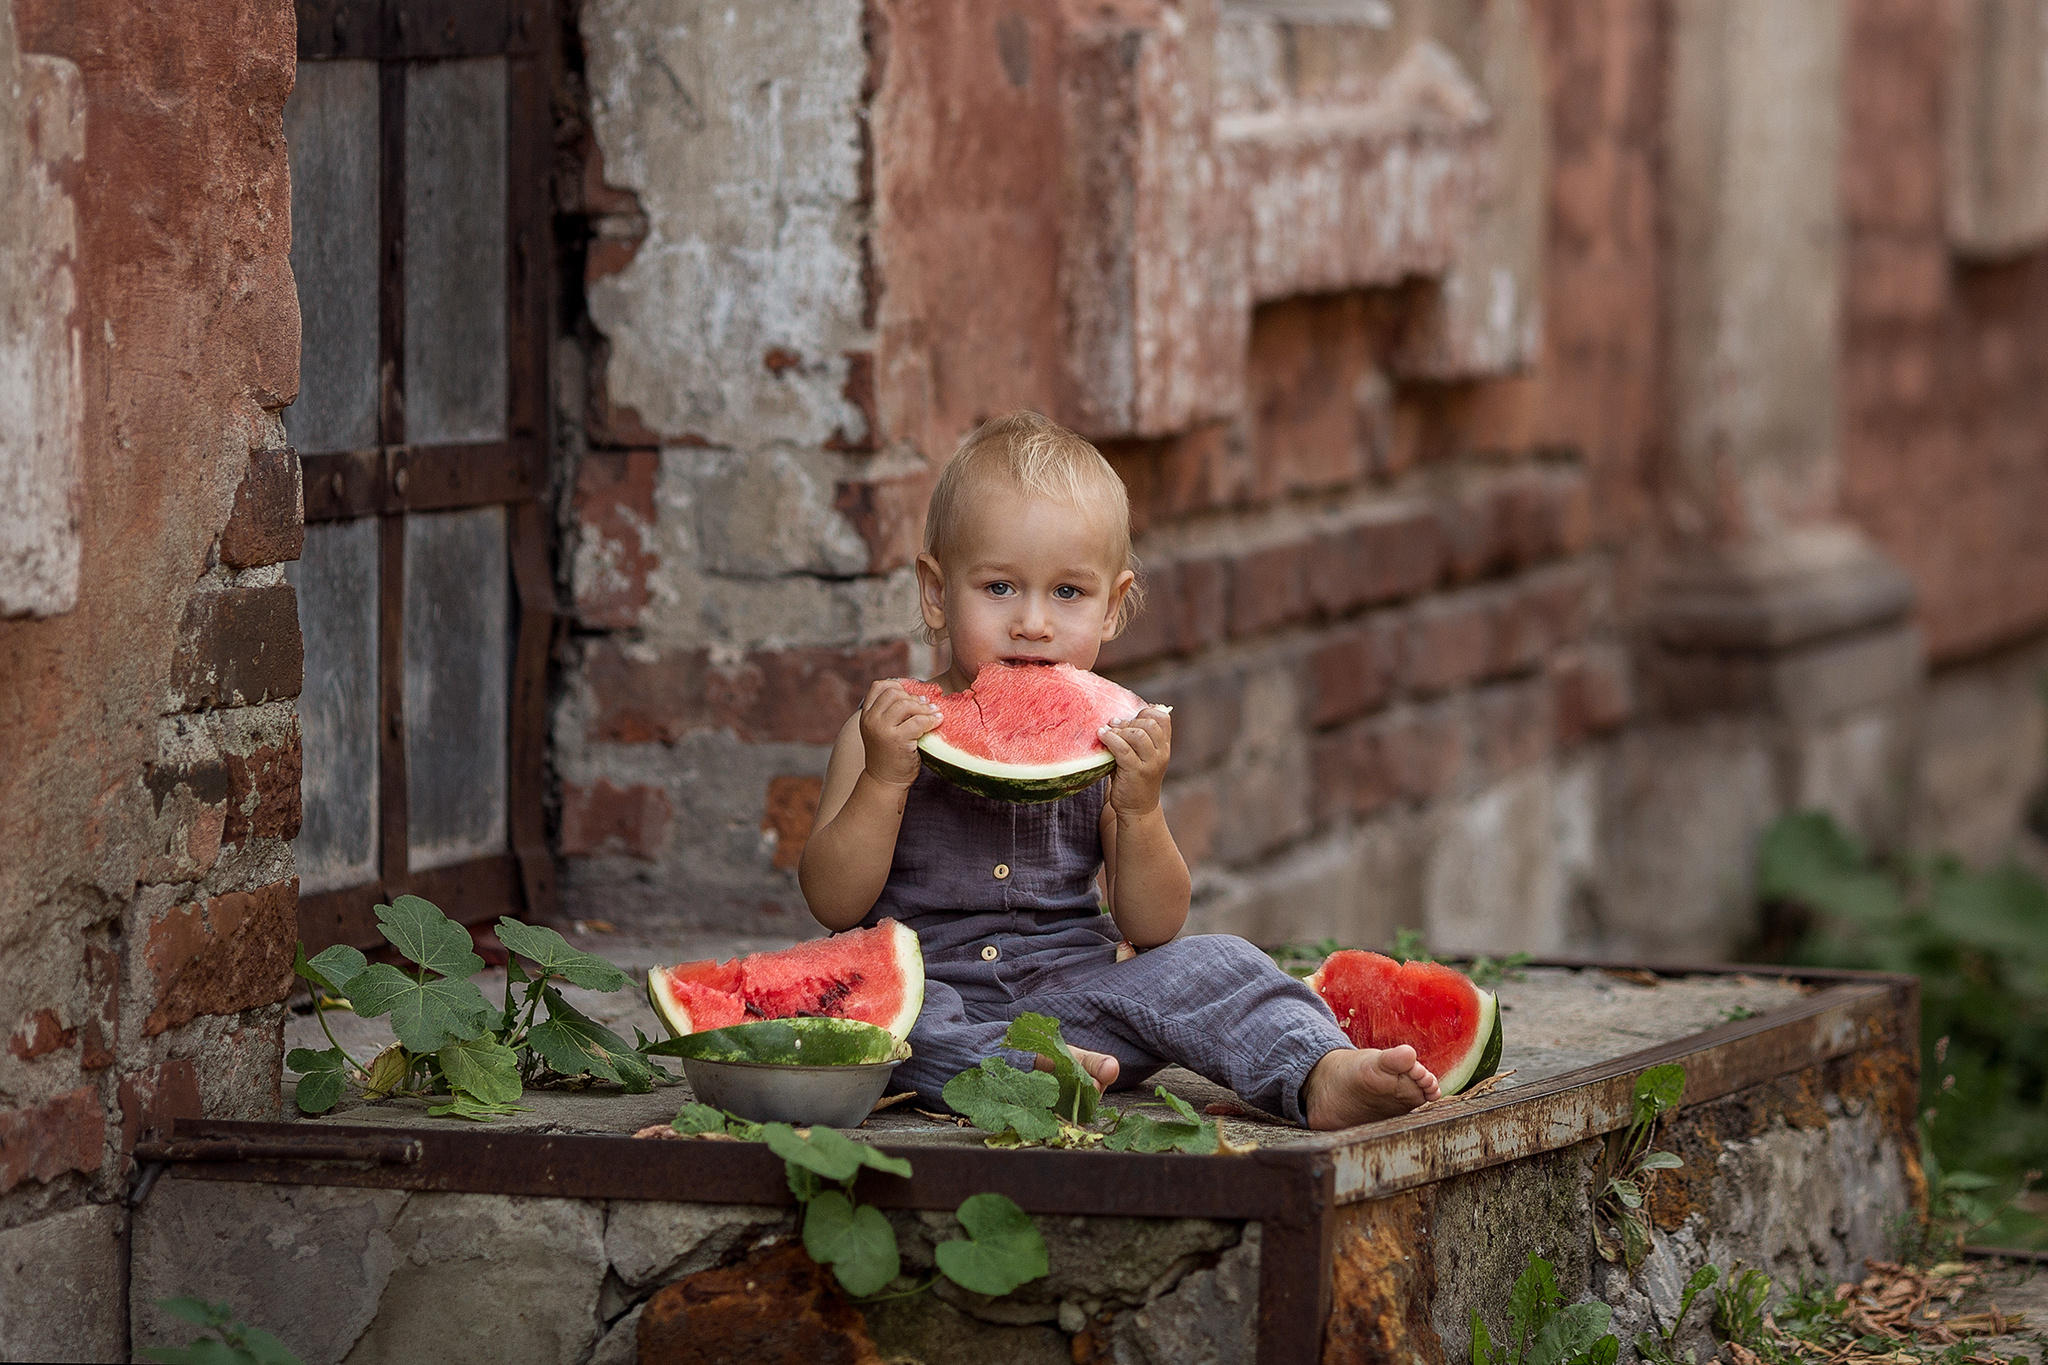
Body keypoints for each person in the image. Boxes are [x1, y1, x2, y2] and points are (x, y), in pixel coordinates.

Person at [797, 411, 1439, 1129]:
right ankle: (1021, 1075)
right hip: (929, 990)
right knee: (874, 1023)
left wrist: (1140, 810)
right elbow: (834, 903)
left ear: (1113, 606)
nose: (1033, 622)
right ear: (936, 592)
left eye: (1068, 593)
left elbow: (1154, 923)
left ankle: (1317, 1068)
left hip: (1081, 1000)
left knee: (1219, 962)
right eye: (1000, 587)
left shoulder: (1108, 743)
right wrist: (885, 779)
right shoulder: (881, 729)